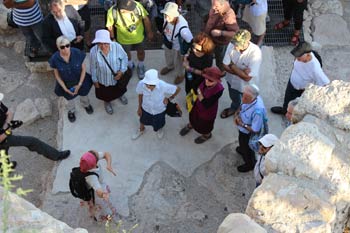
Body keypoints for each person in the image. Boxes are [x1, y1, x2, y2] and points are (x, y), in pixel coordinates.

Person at [0, 93, 71, 165]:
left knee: (3, 152)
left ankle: (5, 166)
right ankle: (56, 155)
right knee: (32, 141)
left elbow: (9, 113)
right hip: (3, 138)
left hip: (4, 133)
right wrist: (8, 130)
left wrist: (6, 126)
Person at [271, 42, 330, 115]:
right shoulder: (300, 57)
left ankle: (292, 118)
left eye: (298, 58)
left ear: (308, 55)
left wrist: (308, 91)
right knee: (287, 99)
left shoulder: (315, 69)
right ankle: (284, 110)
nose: (296, 59)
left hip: (300, 90)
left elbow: (325, 85)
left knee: (295, 106)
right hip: (292, 83)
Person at [49, 36, 93, 122]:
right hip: (66, 83)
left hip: (81, 80)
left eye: (67, 45)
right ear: (58, 47)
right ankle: (71, 111)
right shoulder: (54, 59)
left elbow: (83, 69)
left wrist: (79, 84)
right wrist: (65, 88)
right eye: (62, 47)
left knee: (84, 95)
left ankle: (86, 105)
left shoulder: (77, 53)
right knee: (69, 100)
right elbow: (57, 75)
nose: (65, 48)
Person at [106, 0, 154, 79]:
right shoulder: (112, 11)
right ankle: (130, 65)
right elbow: (110, 26)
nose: (130, 11)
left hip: (139, 37)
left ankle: (141, 65)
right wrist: (112, 39)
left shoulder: (137, 6)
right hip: (123, 39)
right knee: (126, 53)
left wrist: (149, 32)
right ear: (121, 9)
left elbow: (145, 19)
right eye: (128, 10)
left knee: (141, 52)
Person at [221, 29, 262, 119]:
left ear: (247, 42)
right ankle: (234, 108)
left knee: (248, 101)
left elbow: (248, 78)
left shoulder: (255, 53)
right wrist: (242, 73)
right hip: (231, 81)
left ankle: (244, 113)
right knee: (234, 96)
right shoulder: (232, 44)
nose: (235, 46)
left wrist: (232, 65)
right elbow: (225, 65)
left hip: (248, 86)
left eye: (238, 44)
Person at [179, 67, 224, 144]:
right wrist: (200, 95)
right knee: (193, 117)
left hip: (208, 112)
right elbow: (193, 85)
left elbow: (207, 104)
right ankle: (191, 125)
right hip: (197, 105)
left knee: (205, 125)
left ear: (217, 81)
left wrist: (199, 93)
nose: (206, 81)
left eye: (210, 80)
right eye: (206, 78)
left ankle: (207, 135)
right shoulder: (204, 78)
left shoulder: (219, 89)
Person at [90, 29, 130, 115]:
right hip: (103, 79)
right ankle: (107, 102)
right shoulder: (93, 51)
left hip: (117, 78)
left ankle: (120, 96)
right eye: (100, 43)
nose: (103, 46)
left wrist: (121, 72)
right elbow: (93, 67)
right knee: (105, 94)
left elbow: (124, 58)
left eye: (105, 43)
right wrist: (95, 80)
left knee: (119, 89)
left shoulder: (117, 46)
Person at [132, 69, 180, 140]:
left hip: (159, 110)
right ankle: (141, 129)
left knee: (159, 122)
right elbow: (140, 95)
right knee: (142, 120)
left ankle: (159, 129)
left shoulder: (162, 85)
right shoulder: (141, 84)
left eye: (151, 85)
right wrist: (139, 107)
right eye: (147, 84)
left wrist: (169, 98)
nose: (148, 86)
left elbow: (177, 89)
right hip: (146, 108)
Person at [234, 84, 266, 172]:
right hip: (242, 128)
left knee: (247, 148)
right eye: (243, 96)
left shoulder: (258, 111)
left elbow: (255, 129)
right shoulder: (247, 98)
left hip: (248, 133)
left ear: (253, 98)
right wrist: (237, 113)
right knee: (241, 141)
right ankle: (242, 149)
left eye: (246, 98)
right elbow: (242, 106)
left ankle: (250, 164)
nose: (243, 99)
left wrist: (242, 124)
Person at [159, 2, 193, 84]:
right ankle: (170, 66)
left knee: (178, 62)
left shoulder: (183, 28)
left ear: (175, 15)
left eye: (169, 15)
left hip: (177, 47)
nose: (166, 18)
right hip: (168, 42)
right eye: (165, 14)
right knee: (168, 55)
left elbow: (190, 40)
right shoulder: (167, 18)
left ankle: (180, 75)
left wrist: (185, 53)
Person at [79, 150, 117, 222]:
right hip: (93, 191)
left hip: (95, 186)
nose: (97, 153)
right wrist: (103, 194)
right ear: (94, 164)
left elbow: (106, 153)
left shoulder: (87, 161)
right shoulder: (92, 178)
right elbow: (98, 191)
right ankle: (103, 216)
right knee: (100, 205)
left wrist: (108, 165)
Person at [204, 0, 239, 71]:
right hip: (210, 39)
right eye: (212, 5)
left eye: (216, 6)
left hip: (220, 44)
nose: (213, 8)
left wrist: (221, 33)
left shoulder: (229, 16)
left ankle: (221, 72)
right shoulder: (215, 7)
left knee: (220, 60)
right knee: (208, 55)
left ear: (223, 4)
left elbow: (235, 33)